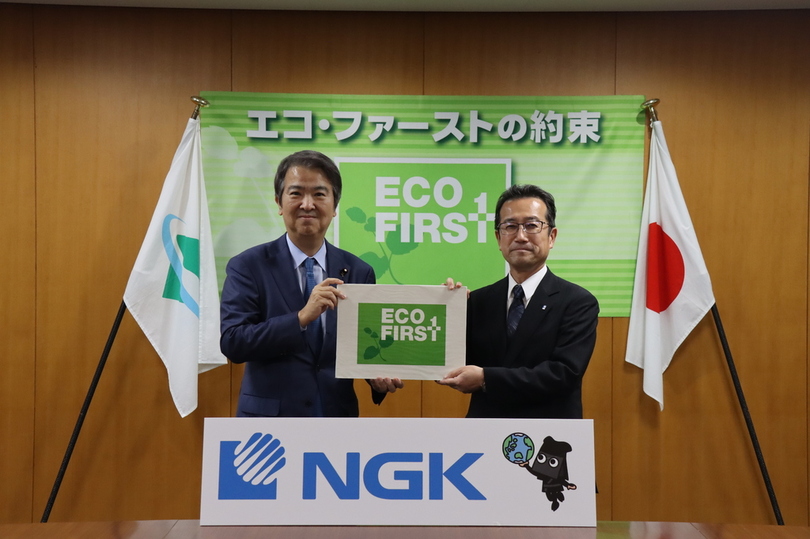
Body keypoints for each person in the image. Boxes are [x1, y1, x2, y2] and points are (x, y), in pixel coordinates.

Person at [220, 150, 403, 417]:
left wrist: (376, 376)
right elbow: (233, 342)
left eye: (319, 194)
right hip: (269, 425)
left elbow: (363, 346)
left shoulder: (359, 271)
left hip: (336, 419)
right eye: (296, 193)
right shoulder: (248, 266)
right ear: (279, 203)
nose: (307, 204)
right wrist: (301, 318)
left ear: (335, 205)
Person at [438, 184, 599, 419]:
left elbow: (563, 374)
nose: (521, 236)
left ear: (551, 236)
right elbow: (450, 365)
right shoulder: (478, 301)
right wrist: (447, 313)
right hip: (483, 432)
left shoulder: (577, 302)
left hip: (549, 433)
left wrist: (485, 378)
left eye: (532, 225)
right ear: (498, 238)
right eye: (510, 226)